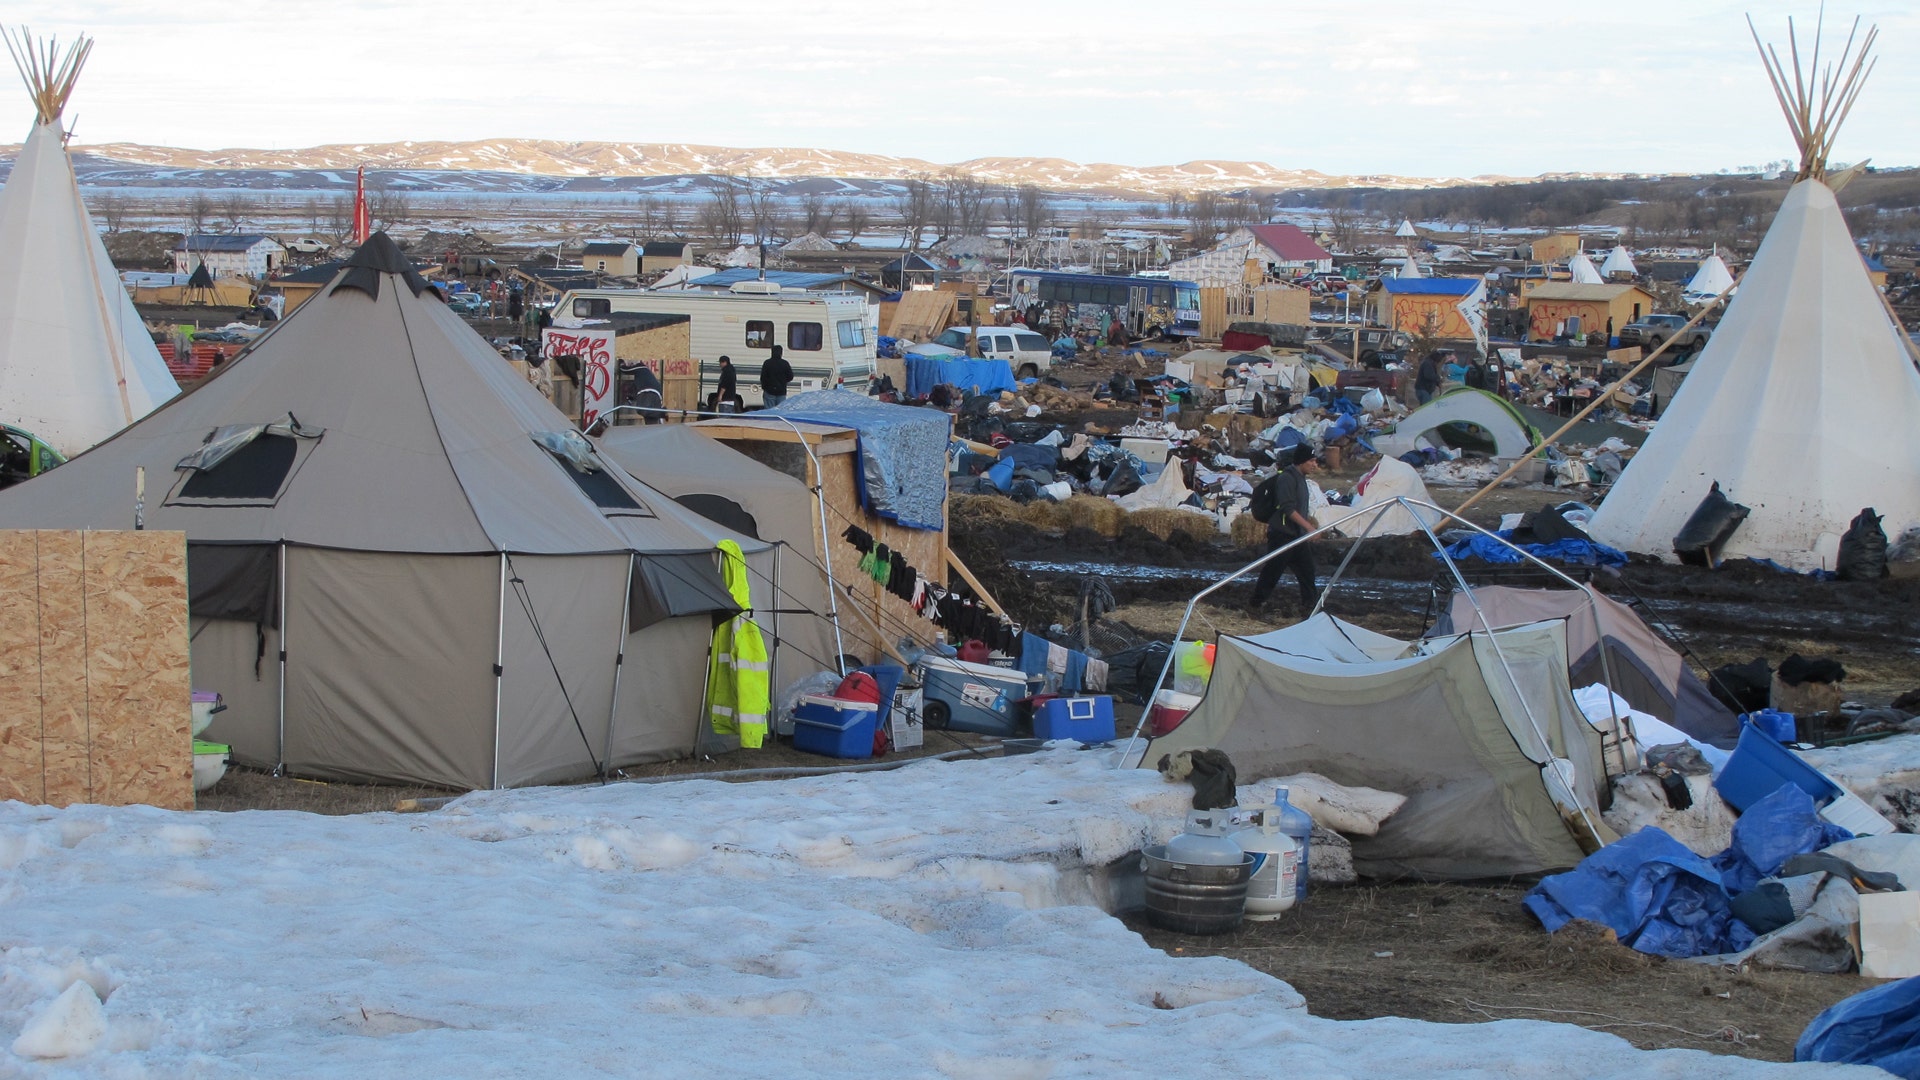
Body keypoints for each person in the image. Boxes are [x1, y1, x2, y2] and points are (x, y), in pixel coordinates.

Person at [1249, 445, 1323, 612]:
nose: (1314, 464)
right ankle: (1256, 604)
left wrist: (1304, 529)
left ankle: (1310, 608)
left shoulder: (1301, 478)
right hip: (1282, 535)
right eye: (1311, 460)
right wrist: (1310, 528)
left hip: (1297, 536)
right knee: (1272, 573)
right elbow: (1288, 509)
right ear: (1301, 461)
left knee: (1307, 573)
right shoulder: (1287, 479)